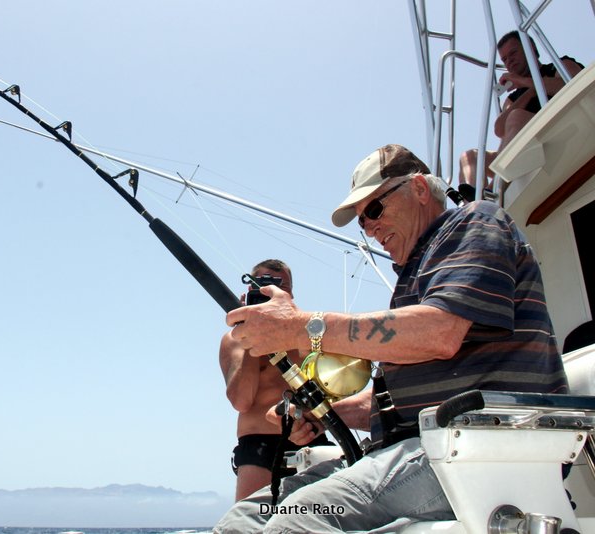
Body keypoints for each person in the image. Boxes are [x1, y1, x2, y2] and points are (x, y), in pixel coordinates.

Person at [213, 144, 568, 533]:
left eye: (374, 209)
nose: (369, 228)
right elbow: (396, 400)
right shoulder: (415, 274)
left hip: (476, 447)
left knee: (296, 519)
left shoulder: (474, 222)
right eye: (362, 222)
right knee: (242, 521)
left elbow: (440, 333)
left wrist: (300, 327)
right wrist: (323, 416)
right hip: (411, 449)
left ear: (419, 189)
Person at [219, 259, 330, 502]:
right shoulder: (233, 340)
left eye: (281, 287)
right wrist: (250, 333)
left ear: (290, 294)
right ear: (250, 290)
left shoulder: (309, 332)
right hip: (258, 444)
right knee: (254, 518)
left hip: (310, 435)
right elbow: (241, 401)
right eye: (263, 285)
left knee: (326, 514)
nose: (271, 292)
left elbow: (333, 388)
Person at [458, 31, 583, 199]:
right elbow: (500, 129)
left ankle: (492, 190)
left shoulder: (558, 66)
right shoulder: (513, 98)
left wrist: (527, 83)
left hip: (561, 133)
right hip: (524, 150)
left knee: (516, 117)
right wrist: (529, 92)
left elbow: (574, 85)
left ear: (530, 48)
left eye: (513, 53)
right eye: (504, 59)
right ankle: (470, 203)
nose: (509, 61)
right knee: (470, 157)